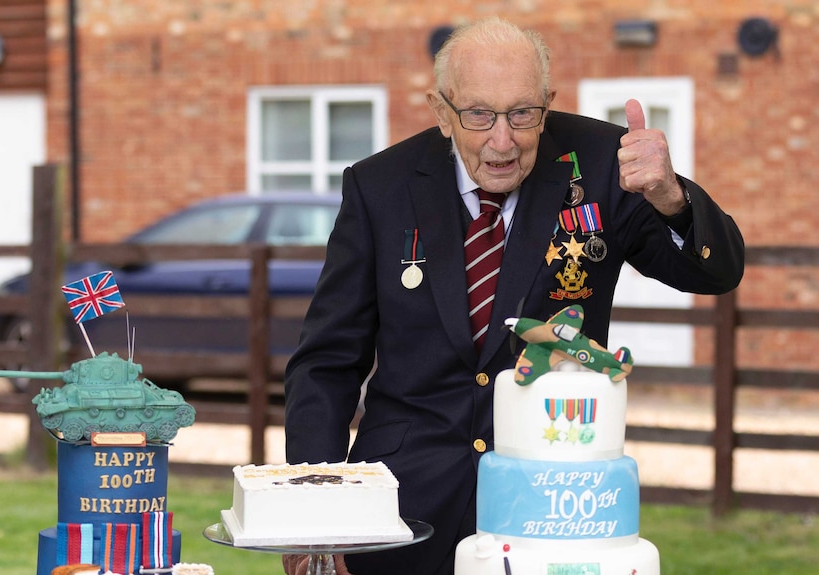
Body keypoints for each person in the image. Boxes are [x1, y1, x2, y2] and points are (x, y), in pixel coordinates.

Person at [282, 16, 744, 575]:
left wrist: (671, 197)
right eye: (479, 114)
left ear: (547, 104)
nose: (502, 140)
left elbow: (715, 275)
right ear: (441, 112)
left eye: (523, 114)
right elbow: (327, 361)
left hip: (550, 511)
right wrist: (310, 511)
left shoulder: (602, 164)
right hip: (402, 505)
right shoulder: (380, 186)